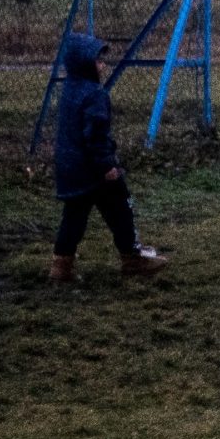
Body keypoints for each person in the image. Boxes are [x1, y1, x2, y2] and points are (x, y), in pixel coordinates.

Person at [49, 33, 168, 282]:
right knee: (121, 208)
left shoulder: (70, 88)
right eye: (98, 61)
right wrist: (107, 165)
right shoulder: (94, 94)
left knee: (74, 216)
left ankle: (61, 266)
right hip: (93, 168)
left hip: (70, 166)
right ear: (85, 63)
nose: (103, 66)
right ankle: (132, 258)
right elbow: (96, 134)